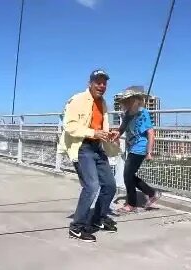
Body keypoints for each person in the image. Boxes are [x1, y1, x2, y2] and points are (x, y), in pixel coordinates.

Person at [58, 69, 121, 242]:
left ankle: (98, 219)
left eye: (104, 83)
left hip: (97, 147)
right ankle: (76, 227)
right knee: (92, 186)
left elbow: (101, 127)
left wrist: (110, 134)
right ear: (90, 83)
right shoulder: (77, 100)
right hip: (82, 147)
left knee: (110, 186)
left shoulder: (103, 103)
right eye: (98, 82)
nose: (101, 86)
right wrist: (93, 133)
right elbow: (69, 126)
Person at [115, 86, 161, 213]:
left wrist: (149, 152)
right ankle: (151, 193)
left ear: (136, 101)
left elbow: (151, 132)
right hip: (132, 147)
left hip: (140, 147)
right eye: (125, 101)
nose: (126, 103)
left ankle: (131, 204)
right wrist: (115, 135)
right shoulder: (127, 115)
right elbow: (121, 129)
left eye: (130, 100)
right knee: (129, 176)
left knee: (127, 175)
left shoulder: (143, 113)